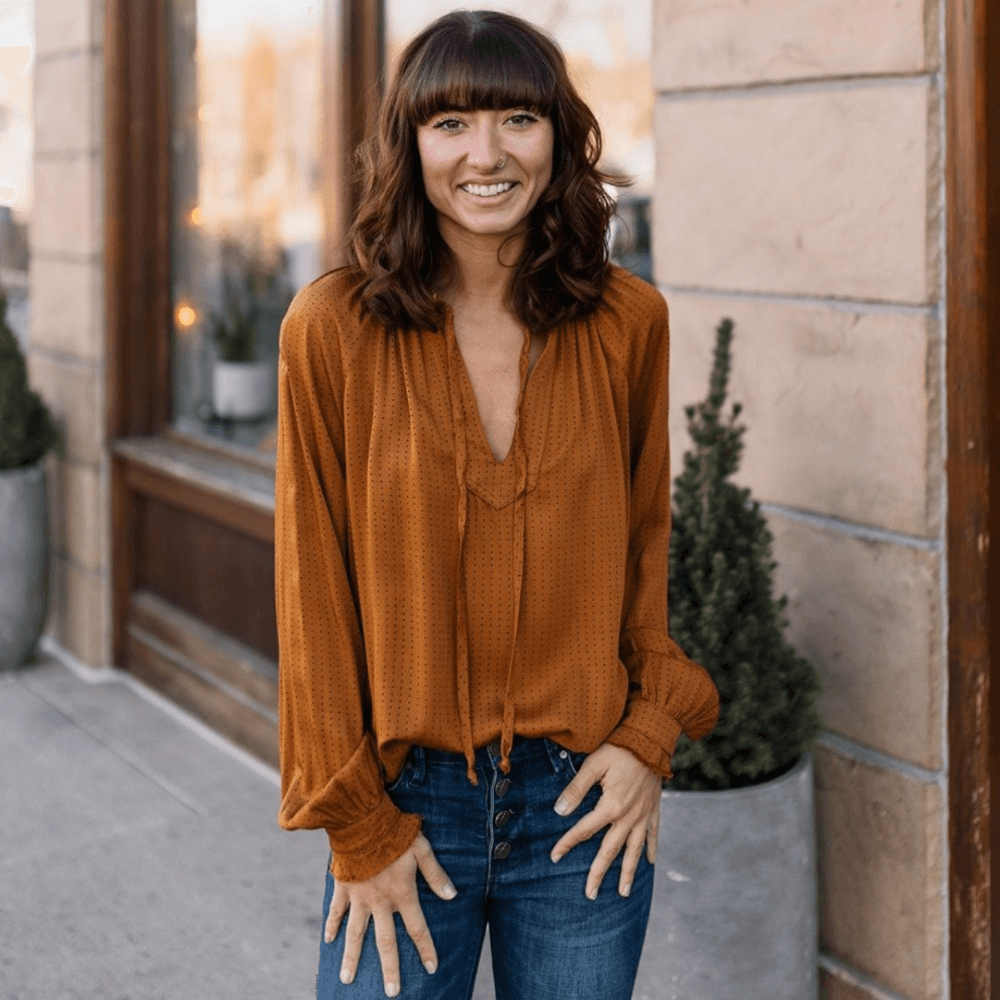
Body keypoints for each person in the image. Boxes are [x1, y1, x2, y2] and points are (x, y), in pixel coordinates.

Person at [274, 10, 720, 1000]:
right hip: (402, 805)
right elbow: (311, 590)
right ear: (409, 144)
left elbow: (648, 553)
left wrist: (647, 738)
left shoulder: (627, 322)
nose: (487, 153)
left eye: (517, 118)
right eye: (451, 123)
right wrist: (357, 824)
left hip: (582, 802)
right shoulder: (330, 330)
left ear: (558, 137)